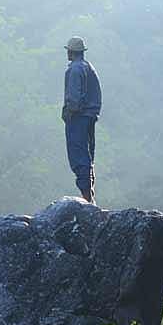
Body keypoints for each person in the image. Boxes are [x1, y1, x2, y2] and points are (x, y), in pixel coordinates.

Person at [61, 36, 102, 203]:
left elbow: (74, 98)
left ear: (71, 52)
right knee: (88, 155)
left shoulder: (75, 70)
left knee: (79, 156)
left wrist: (68, 113)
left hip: (78, 118)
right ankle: (90, 195)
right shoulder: (89, 68)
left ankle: (87, 198)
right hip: (90, 117)